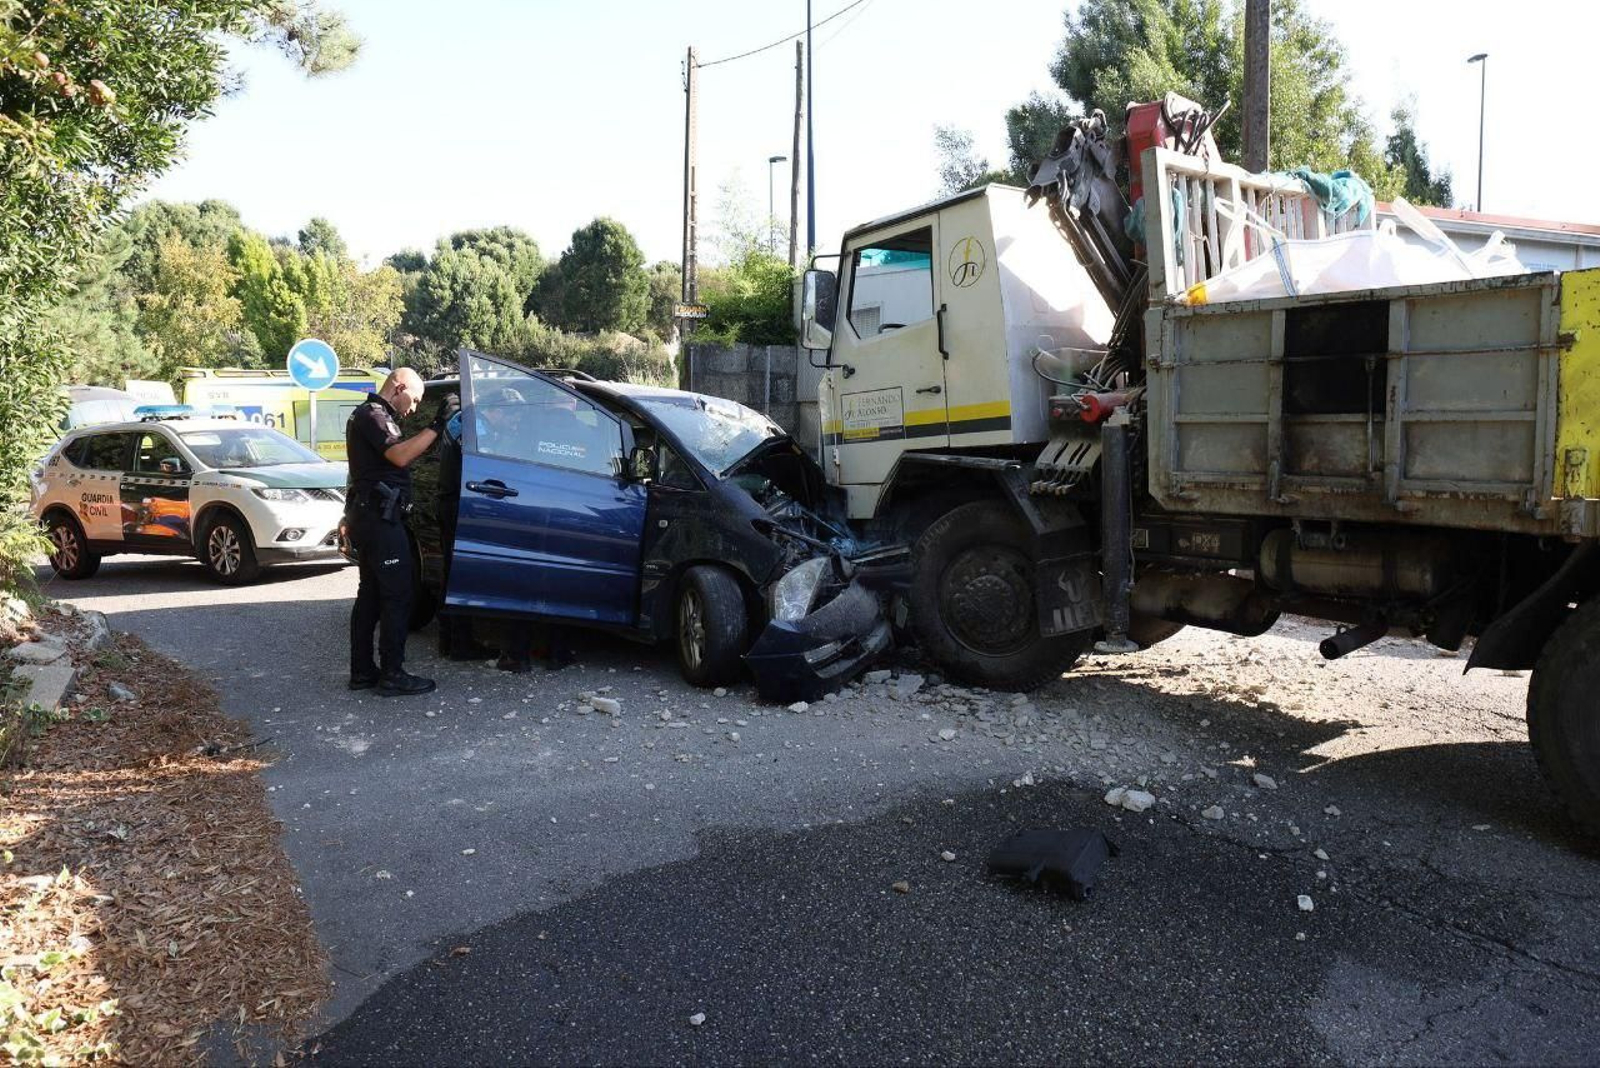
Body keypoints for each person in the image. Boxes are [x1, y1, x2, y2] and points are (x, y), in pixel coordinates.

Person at [345, 368, 457, 696]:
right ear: (399, 386)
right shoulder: (373, 414)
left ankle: (363, 671)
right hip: (379, 521)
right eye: (415, 399)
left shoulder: (372, 415)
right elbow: (400, 455)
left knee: (371, 596)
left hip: (371, 516)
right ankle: (392, 674)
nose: (413, 408)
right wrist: (438, 424)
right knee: (397, 596)